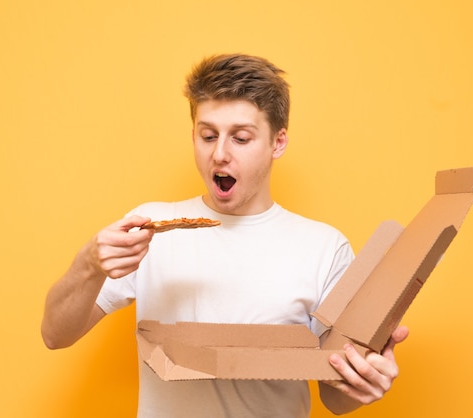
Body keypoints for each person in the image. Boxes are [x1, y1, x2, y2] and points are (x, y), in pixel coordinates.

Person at [41, 53, 409, 417]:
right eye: (208, 135)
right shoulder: (151, 227)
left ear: (277, 143)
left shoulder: (325, 248)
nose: (219, 154)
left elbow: (335, 399)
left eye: (241, 138)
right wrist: (89, 264)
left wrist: (364, 384)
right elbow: (56, 335)